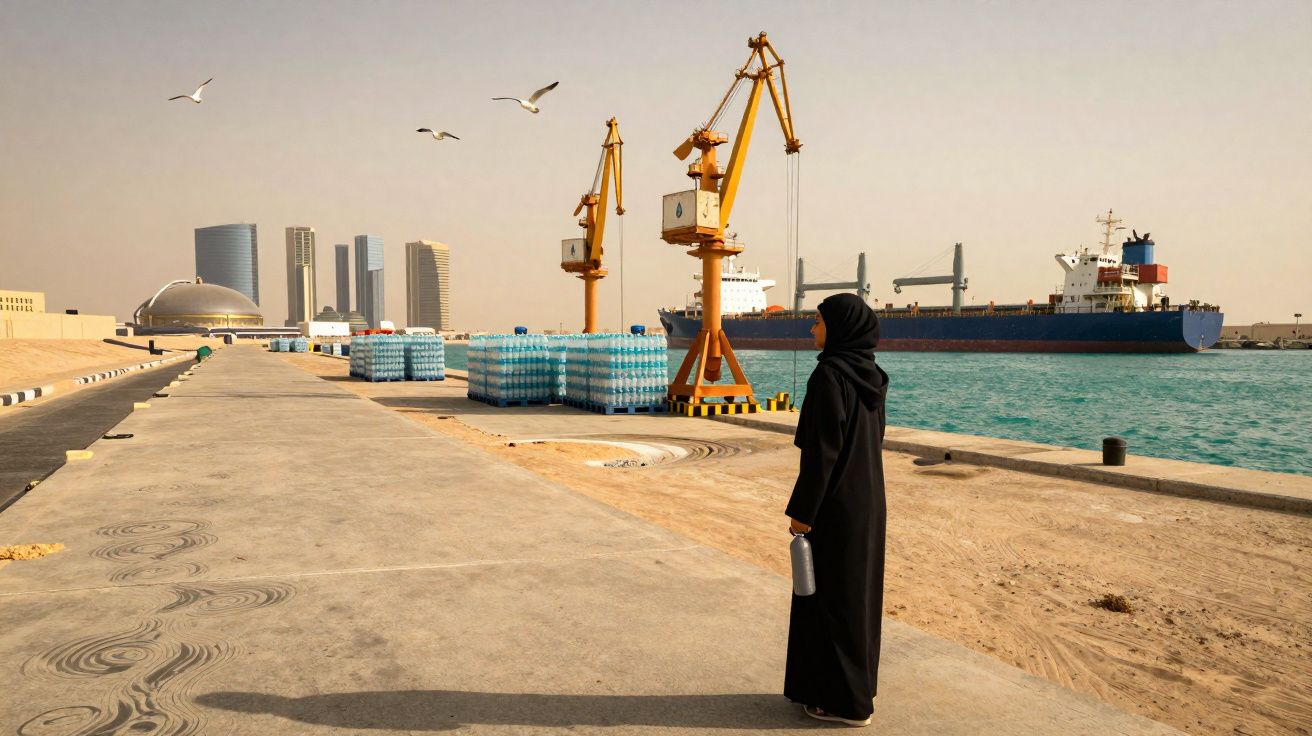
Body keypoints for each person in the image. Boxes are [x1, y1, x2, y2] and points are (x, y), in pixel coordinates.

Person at [784, 292, 889, 727]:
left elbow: (822, 454)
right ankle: (855, 686)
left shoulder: (829, 376)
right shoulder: (872, 376)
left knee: (829, 600)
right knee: (857, 598)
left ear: (839, 329)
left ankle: (846, 703)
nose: (812, 329)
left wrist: (802, 511)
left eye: (818, 322)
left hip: (835, 505)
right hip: (868, 500)